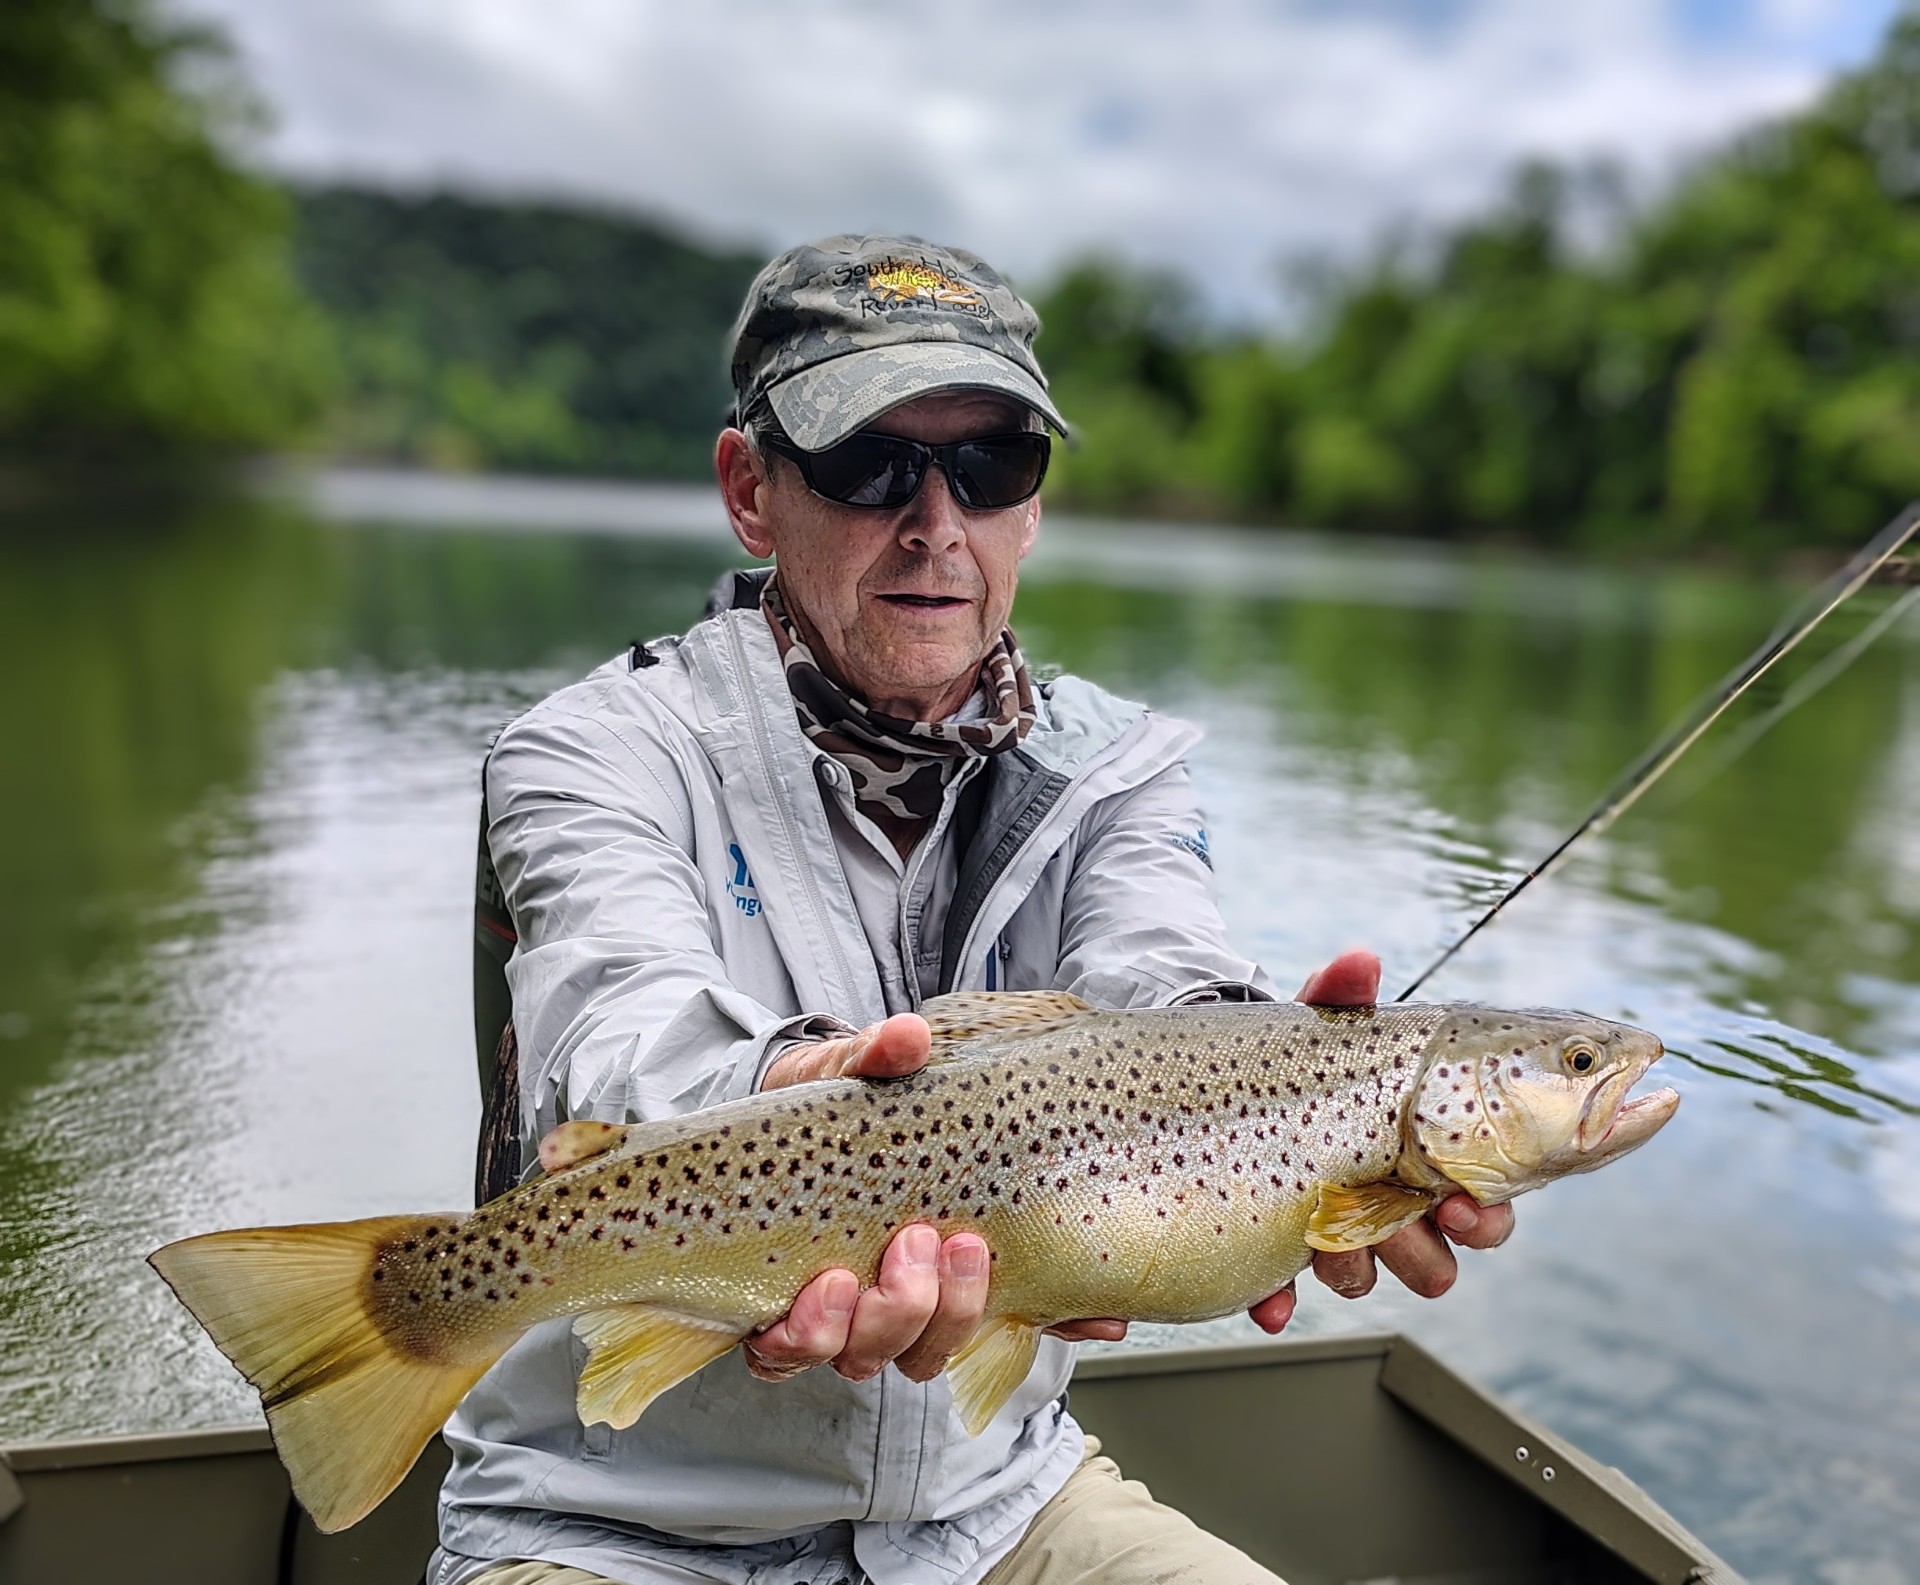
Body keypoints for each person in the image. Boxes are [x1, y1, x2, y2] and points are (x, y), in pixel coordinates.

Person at [429, 235, 1513, 1585]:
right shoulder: (591, 752)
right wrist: (793, 1090)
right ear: (749, 490)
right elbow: (616, 1027)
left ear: (1035, 506)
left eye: (992, 465)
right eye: (869, 462)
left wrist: (1282, 1081)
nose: (936, 522)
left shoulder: (1122, 769)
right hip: (621, 1526)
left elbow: (1162, 980)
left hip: (995, 1516)